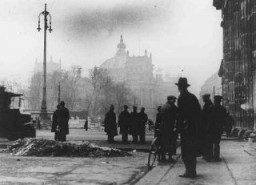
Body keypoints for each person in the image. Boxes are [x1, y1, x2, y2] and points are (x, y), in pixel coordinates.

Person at [176, 77, 201, 178]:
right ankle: (193, 171)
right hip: (193, 127)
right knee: (192, 149)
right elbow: (199, 111)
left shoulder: (182, 97)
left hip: (186, 128)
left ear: (180, 87)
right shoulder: (192, 96)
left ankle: (188, 171)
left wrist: (178, 127)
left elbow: (181, 115)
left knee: (186, 150)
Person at [206, 95, 227, 161]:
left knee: (210, 143)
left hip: (211, 128)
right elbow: (224, 119)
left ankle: (210, 156)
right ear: (220, 101)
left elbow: (207, 118)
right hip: (218, 128)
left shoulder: (210, 108)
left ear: (215, 101)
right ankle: (216, 157)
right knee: (217, 143)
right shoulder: (223, 109)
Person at [159, 96, 178, 162]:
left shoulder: (163, 106)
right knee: (170, 142)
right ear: (170, 100)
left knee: (163, 141)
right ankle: (170, 157)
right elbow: (176, 116)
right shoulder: (172, 107)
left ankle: (162, 157)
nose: (175, 101)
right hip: (169, 126)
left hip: (162, 126)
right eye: (174, 99)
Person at [201, 94, 213, 159]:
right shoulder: (208, 104)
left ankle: (208, 155)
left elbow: (207, 116)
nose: (203, 100)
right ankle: (207, 154)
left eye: (204, 98)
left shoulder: (209, 105)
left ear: (206, 98)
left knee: (208, 141)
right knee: (207, 141)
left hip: (208, 126)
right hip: (206, 125)